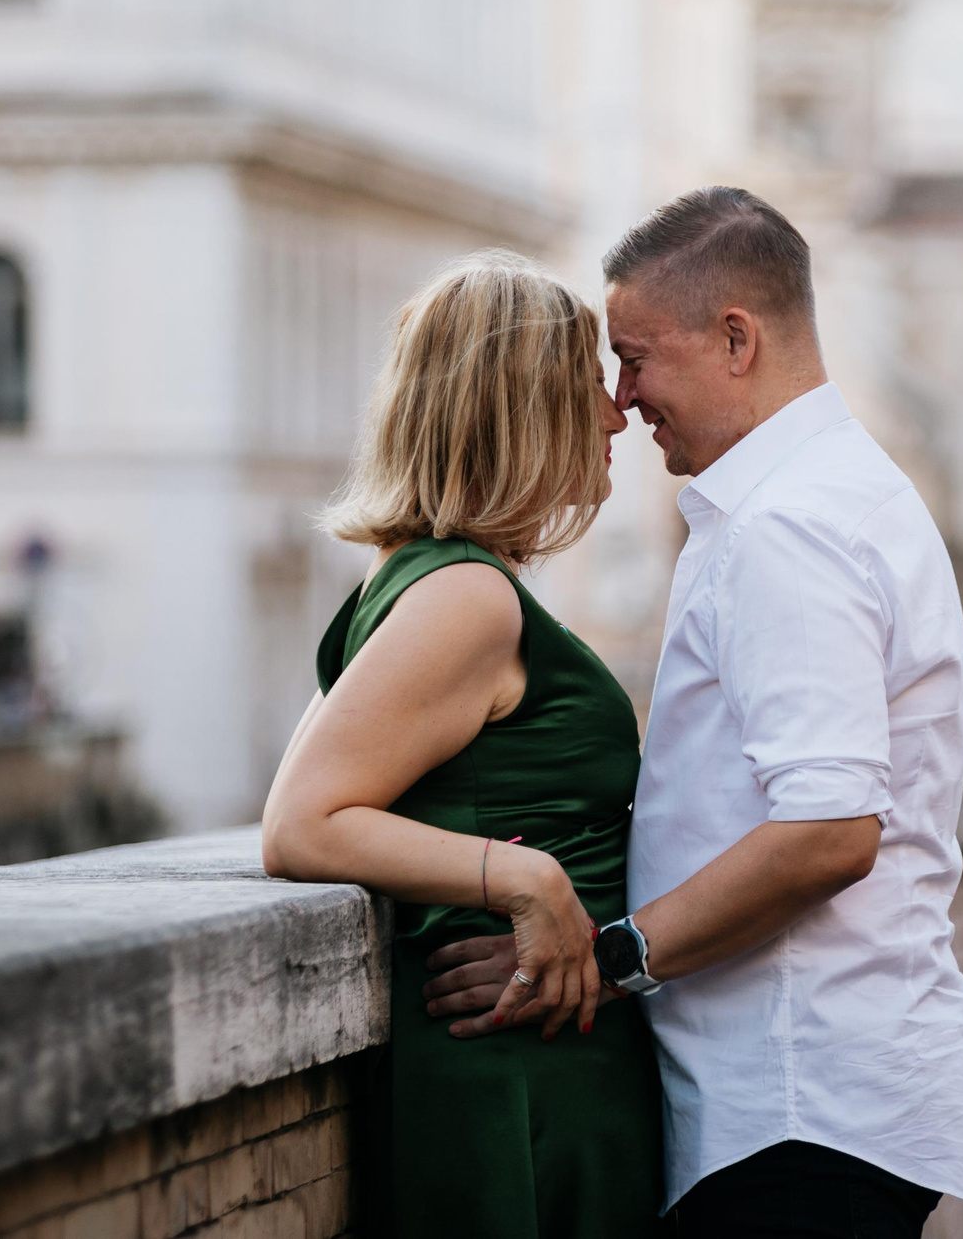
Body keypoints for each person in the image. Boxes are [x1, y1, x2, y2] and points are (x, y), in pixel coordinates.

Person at [423, 188, 963, 1237]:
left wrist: (599, 958)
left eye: (636, 357)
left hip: (796, 1104)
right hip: (813, 1099)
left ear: (736, 339)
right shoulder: (826, 495)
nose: (622, 397)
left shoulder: (790, 528)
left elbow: (827, 832)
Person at [261, 249, 663, 1239]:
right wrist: (530, 883)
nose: (617, 416)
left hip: (531, 1053)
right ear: (519, 408)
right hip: (519, 1078)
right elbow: (302, 823)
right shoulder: (466, 600)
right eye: (587, 388)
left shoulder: (421, 579)